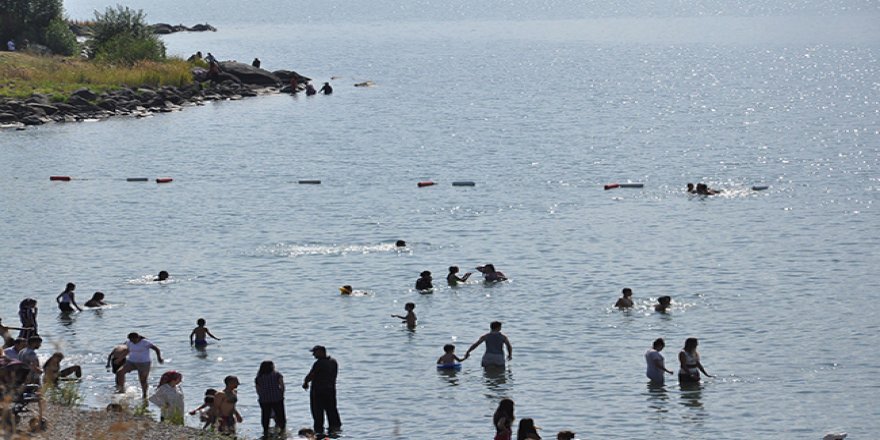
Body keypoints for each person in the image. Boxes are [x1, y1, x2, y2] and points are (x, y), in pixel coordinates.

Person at [302, 345, 341, 437]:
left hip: (318, 392)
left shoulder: (319, 363)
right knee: (332, 411)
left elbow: (311, 375)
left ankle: (319, 433)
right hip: (331, 390)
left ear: (321, 352)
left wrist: (305, 382)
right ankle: (335, 431)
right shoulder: (333, 362)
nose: (313, 355)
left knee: (318, 414)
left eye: (315, 352)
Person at [116, 332, 164, 397]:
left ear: (137, 338)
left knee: (143, 380)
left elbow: (156, 349)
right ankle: (122, 390)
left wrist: (159, 358)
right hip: (131, 362)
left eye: (133, 340)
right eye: (131, 340)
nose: (132, 342)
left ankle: (144, 395)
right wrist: (119, 358)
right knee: (119, 372)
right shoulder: (128, 342)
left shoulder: (145, 342)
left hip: (144, 363)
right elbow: (125, 350)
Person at [255, 360, 286, 439]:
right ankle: (282, 431)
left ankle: (265, 431)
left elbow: (258, 389)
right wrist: (282, 395)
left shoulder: (259, 377)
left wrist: (261, 396)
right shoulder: (277, 374)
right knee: (280, 415)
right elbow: (282, 386)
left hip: (264, 399)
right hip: (277, 398)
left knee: (265, 415)